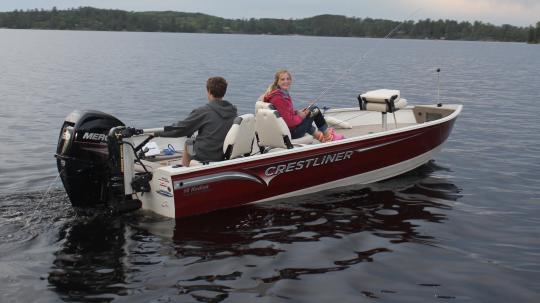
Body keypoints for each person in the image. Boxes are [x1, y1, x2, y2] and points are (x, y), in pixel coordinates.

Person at [157, 77, 237, 166]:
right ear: (224, 92)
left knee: (189, 143)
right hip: (223, 155)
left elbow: (180, 129)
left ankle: (186, 171)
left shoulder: (204, 111)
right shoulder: (233, 111)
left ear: (209, 91)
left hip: (205, 155)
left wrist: (158, 133)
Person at [262, 69, 344, 142]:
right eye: (282, 79)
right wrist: (302, 116)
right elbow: (289, 122)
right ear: (277, 82)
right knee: (315, 110)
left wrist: (297, 112)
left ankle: (320, 137)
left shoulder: (280, 94)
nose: (286, 81)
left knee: (307, 114)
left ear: (291, 80)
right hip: (292, 132)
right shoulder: (279, 98)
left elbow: (284, 113)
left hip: (286, 130)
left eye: (288, 79)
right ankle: (328, 137)